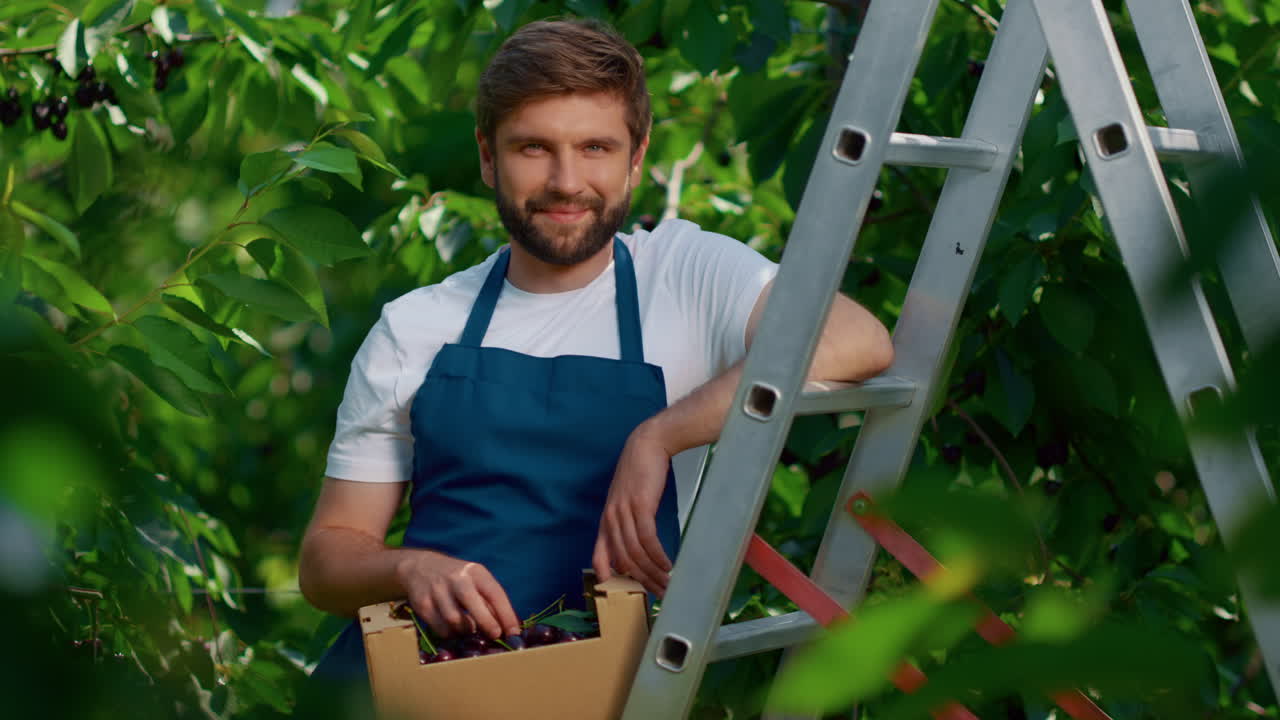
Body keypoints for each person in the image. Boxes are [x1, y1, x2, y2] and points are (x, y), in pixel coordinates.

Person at [294, 17, 893, 714]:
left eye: (595, 148)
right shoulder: (416, 326)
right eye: (533, 148)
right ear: (488, 157)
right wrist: (411, 567)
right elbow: (325, 562)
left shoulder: (687, 275)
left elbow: (857, 339)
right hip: (409, 692)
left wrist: (658, 436)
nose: (566, 181)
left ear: (636, 159)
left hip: (599, 692)